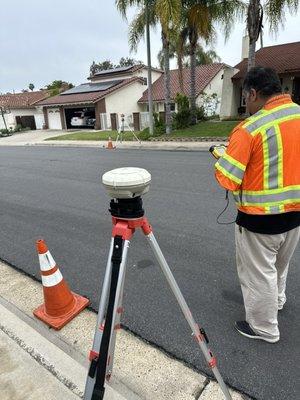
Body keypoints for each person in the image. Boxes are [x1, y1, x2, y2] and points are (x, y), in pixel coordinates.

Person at [214, 67, 300, 343]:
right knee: (279, 266)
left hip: (260, 219)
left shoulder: (249, 129)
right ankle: (276, 302)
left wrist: (222, 158)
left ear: (252, 93)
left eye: (245, 97)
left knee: (259, 273)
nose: (245, 104)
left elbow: (227, 178)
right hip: (295, 214)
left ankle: (264, 327)